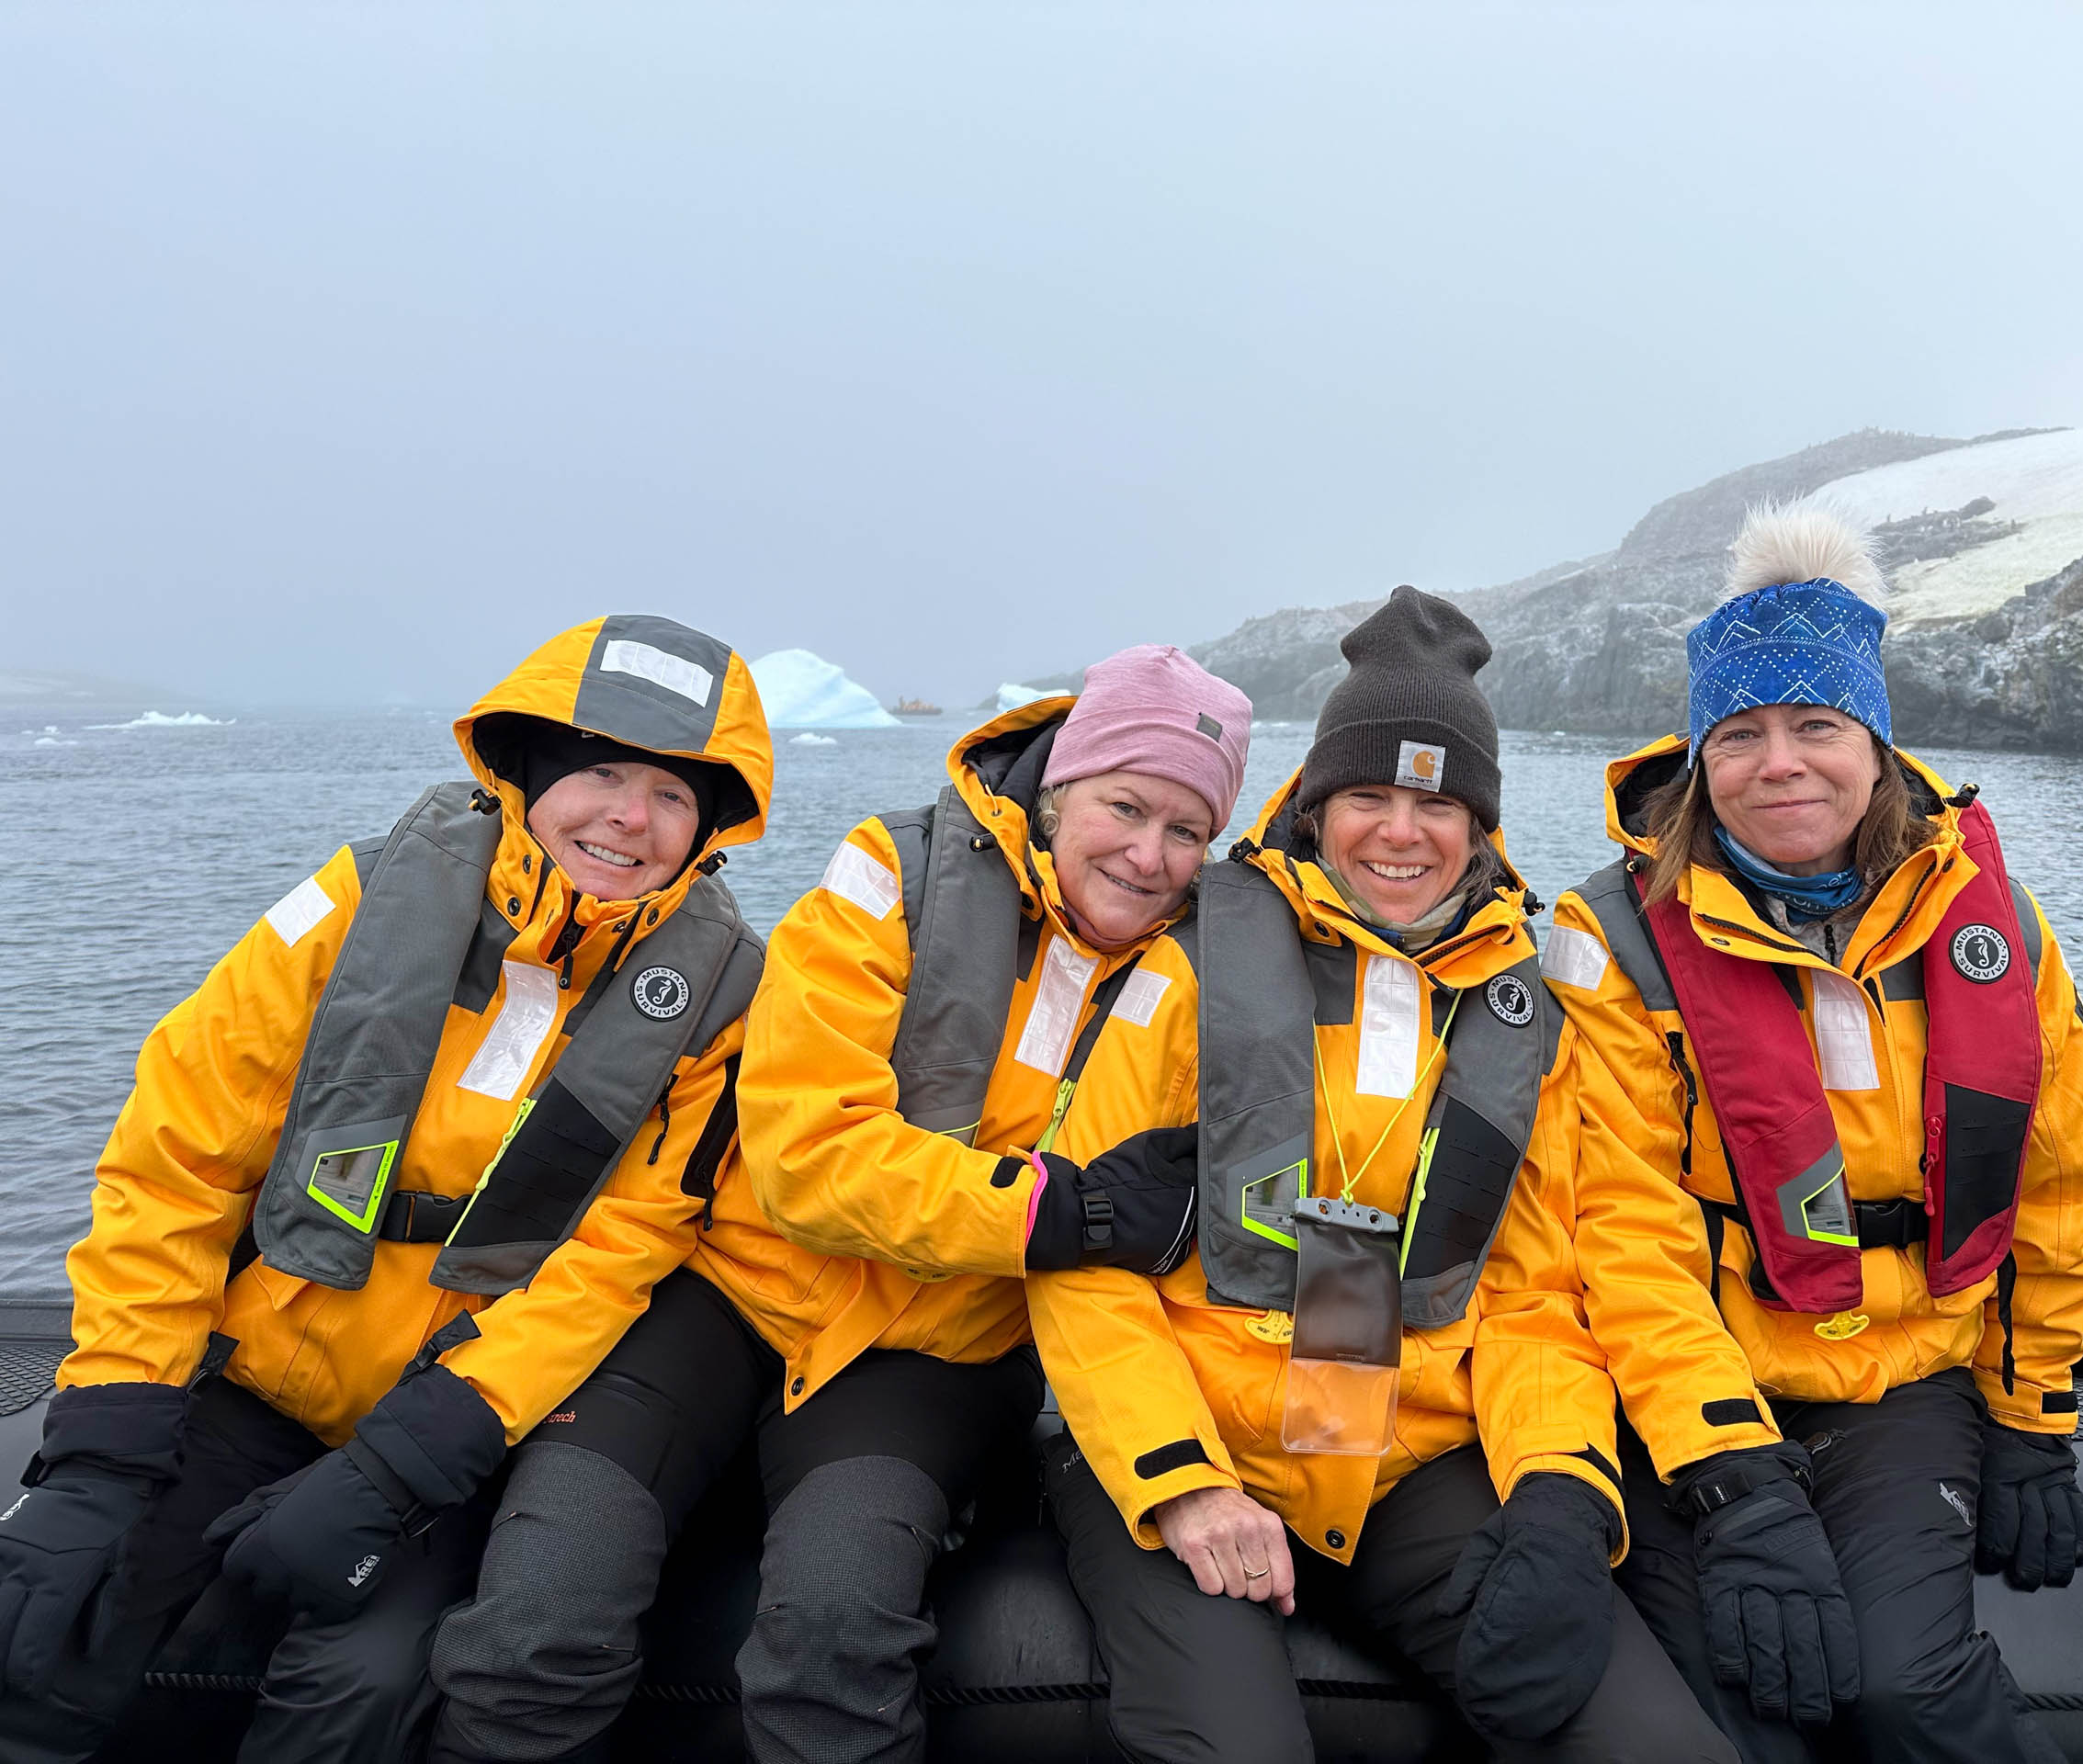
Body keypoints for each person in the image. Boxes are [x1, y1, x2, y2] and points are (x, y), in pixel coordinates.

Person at [1027, 587, 1848, 1763]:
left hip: (1406, 1457)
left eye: (1437, 802)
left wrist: (1564, 1489)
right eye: (1368, 796)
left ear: (1481, 825)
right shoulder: (1188, 970)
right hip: (1190, 1442)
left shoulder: (1526, 1014)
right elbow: (1082, 1262)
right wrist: (1179, 1480)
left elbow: (1533, 1292)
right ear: (1318, 806)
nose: (1400, 833)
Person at [429, 644, 1252, 1763]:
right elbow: (807, 1156)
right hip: (731, 1298)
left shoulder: (1198, 982)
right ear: (1060, 789)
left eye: (1187, 831)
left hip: (940, 1350)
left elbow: (1123, 1229)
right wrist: (1047, 1211)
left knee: (834, 1632)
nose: (1149, 856)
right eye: (1124, 806)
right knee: (542, 1600)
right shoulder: (889, 878)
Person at [0, 615, 772, 1764]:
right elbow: (181, 1157)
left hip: (449, 1414)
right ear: (528, 771)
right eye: (601, 772)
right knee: (48, 1618)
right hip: (248, 1369)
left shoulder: (714, 1001)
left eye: (671, 794)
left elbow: (624, 1251)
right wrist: (108, 1437)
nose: (629, 816)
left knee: (366, 1683)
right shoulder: (359, 904)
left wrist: (412, 1459)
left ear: (708, 823)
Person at [1551, 506, 2083, 1762]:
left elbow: (2063, 1183)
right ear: (1701, 759)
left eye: (1817, 725)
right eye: (1742, 734)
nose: (1782, 763)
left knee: (1904, 1691)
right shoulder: (1613, 942)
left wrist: (2032, 1419)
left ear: (1874, 741)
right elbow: (1624, 1229)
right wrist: (1735, 1482)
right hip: (1689, 1386)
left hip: (1898, 1379)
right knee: (1740, 1701)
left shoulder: (1998, 932)